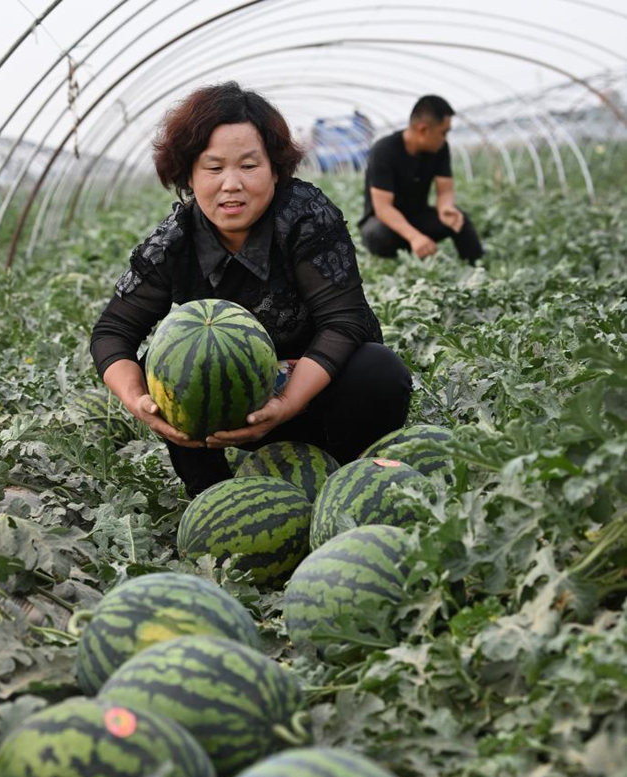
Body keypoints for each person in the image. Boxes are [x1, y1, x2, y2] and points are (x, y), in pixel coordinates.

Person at [90, 82, 412, 498]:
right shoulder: (176, 241)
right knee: (169, 361)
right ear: (189, 173)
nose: (231, 184)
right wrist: (141, 403)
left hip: (321, 399)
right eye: (213, 167)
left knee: (378, 370)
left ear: (275, 170)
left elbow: (344, 321)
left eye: (248, 165)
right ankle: (212, 497)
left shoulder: (302, 216)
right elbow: (112, 332)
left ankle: (351, 478)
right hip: (235, 416)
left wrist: (287, 403)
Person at [359, 95, 483, 263]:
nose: (445, 138)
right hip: (385, 223)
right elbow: (383, 209)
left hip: (417, 217)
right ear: (423, 129)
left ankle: (477, 267)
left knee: (459, 220)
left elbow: (445, 189)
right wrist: (415, 237)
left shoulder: (440, 148)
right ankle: (396, 270)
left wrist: (445, 208)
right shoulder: (384, 150)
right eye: (443, 132)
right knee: (378, 234)